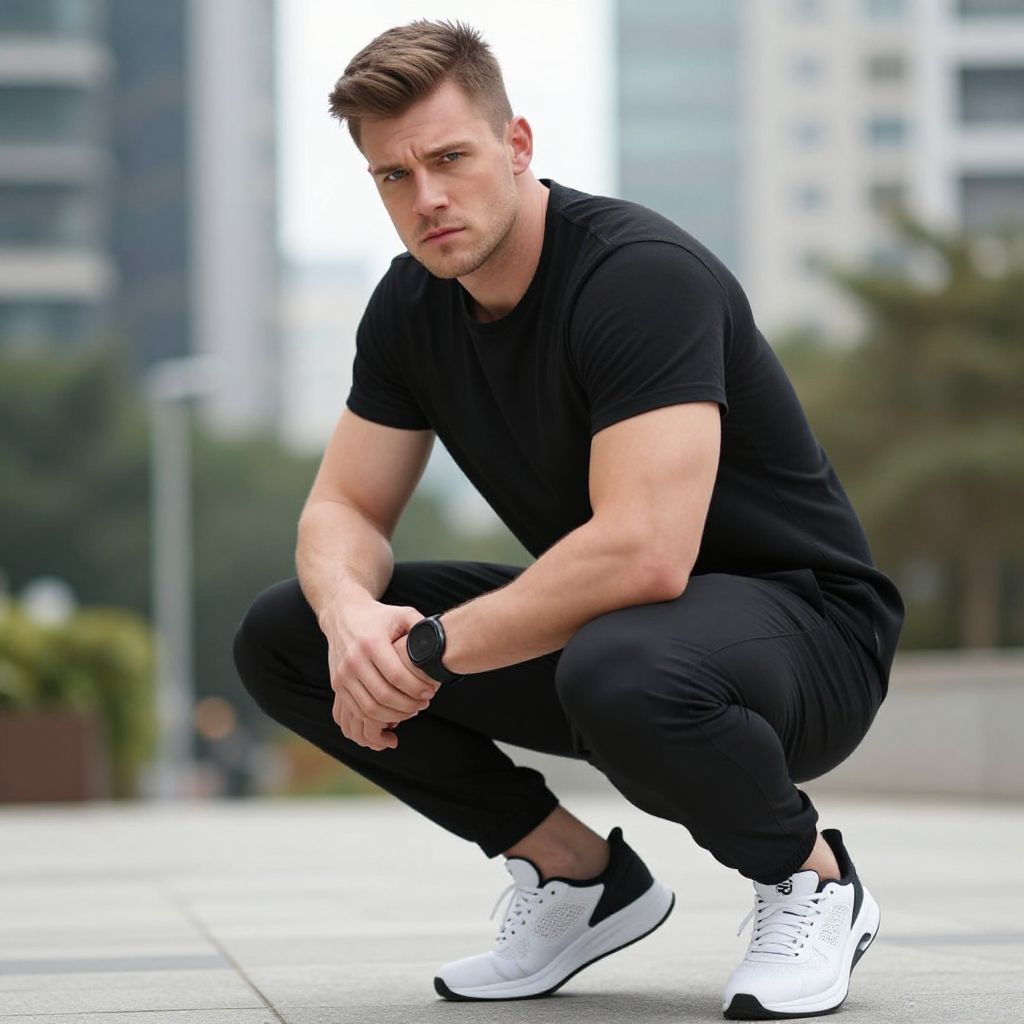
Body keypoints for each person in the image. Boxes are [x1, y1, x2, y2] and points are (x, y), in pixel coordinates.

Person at [233, 19, 904, 1019]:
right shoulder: (411, 305)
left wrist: (420, 650)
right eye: (392, 177)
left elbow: (643, 550)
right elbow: (345, 504)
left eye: (449, 159)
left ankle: (813, 879)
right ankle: (578, 879)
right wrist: (349, 622)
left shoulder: (636, 278)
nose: (427, 200)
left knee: (623, 663)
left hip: (806, 633)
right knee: (284, 635)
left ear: (517, 145)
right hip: (622, 637)